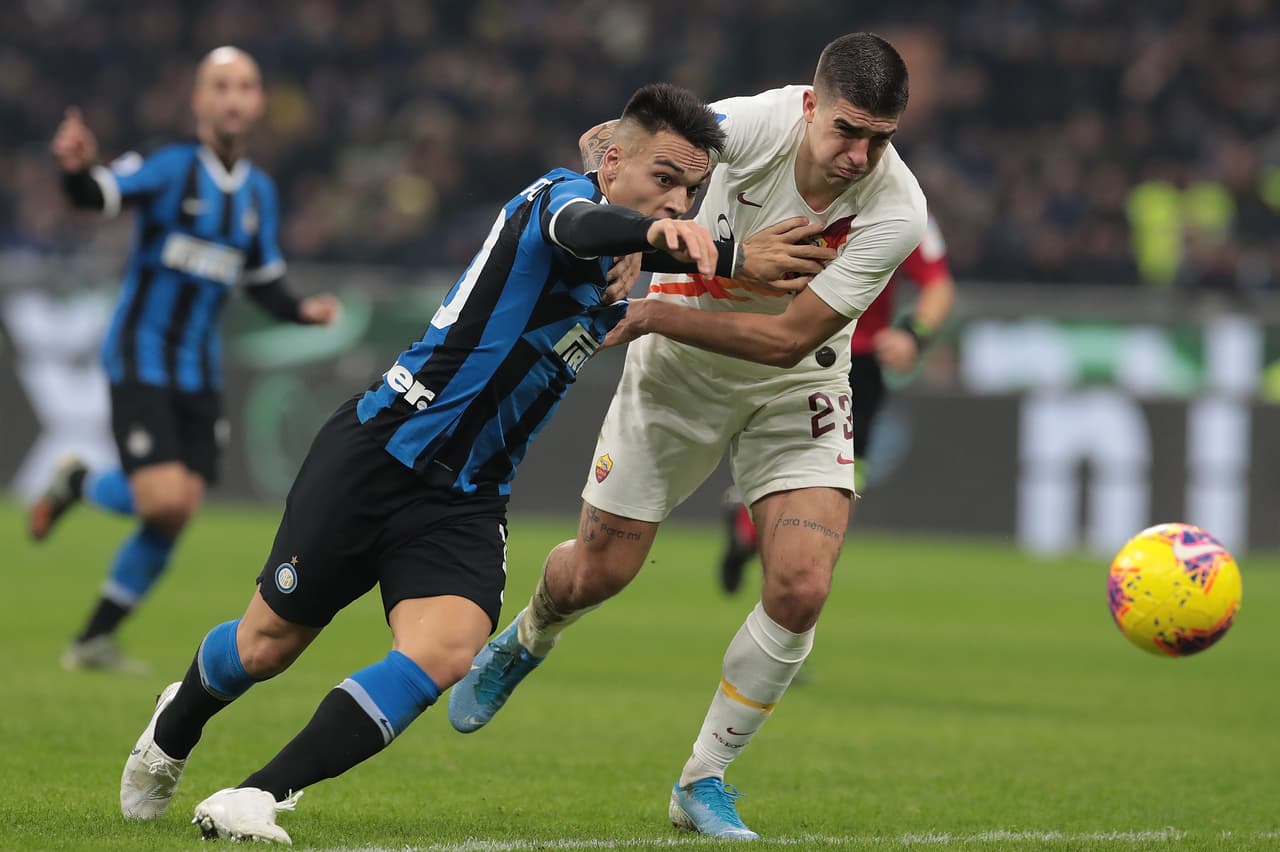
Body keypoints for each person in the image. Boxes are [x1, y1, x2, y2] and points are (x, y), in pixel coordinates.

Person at [117, 82, 820, 846]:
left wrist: (746, 291)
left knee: (447, 649)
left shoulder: (622, 267)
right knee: (265, 647)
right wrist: (702, 246)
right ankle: (173, 723)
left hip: (466, 499)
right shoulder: (557, 202)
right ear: (613, 163)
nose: (678, 204)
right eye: (664, 181)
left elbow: (645, 279)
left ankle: (257, 796)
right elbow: (584, 222)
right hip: (381, 450)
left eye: (692, 191)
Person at [449, 33, 926, 841]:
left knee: (803, 587)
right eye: (848, 130)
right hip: (676, 378)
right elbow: (605, 145)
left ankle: (704, 779)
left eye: (880, 137)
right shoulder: (740, 128)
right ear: (809, 106)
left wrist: (651, 308)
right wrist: (632, 231)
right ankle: (528, 636)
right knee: (600, 572)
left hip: (794, 381)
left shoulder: (895, 211)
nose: (861, 154)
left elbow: (785, 339)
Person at [29, 46, 340, 673]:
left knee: (176, 514)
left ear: (257, 104)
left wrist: (300, 311)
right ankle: (79, 482)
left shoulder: (257, 193)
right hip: (141, 357)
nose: (232, 97)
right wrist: (75, 170)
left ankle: (93, 639)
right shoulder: (169, 168)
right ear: (199, 101)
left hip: (199, 371)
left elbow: (261, 279)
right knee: (164, 502)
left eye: (245, 86)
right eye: (220, 86)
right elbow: (98, 194)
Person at [717, 212, 956, 593]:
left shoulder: (902, 207)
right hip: (790, 348)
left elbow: (939, 286)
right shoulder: (793, 195)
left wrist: (914, 335)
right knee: (786, 478)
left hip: (858, 365)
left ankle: (752, 537)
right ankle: (778, 606)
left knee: (841, 490)